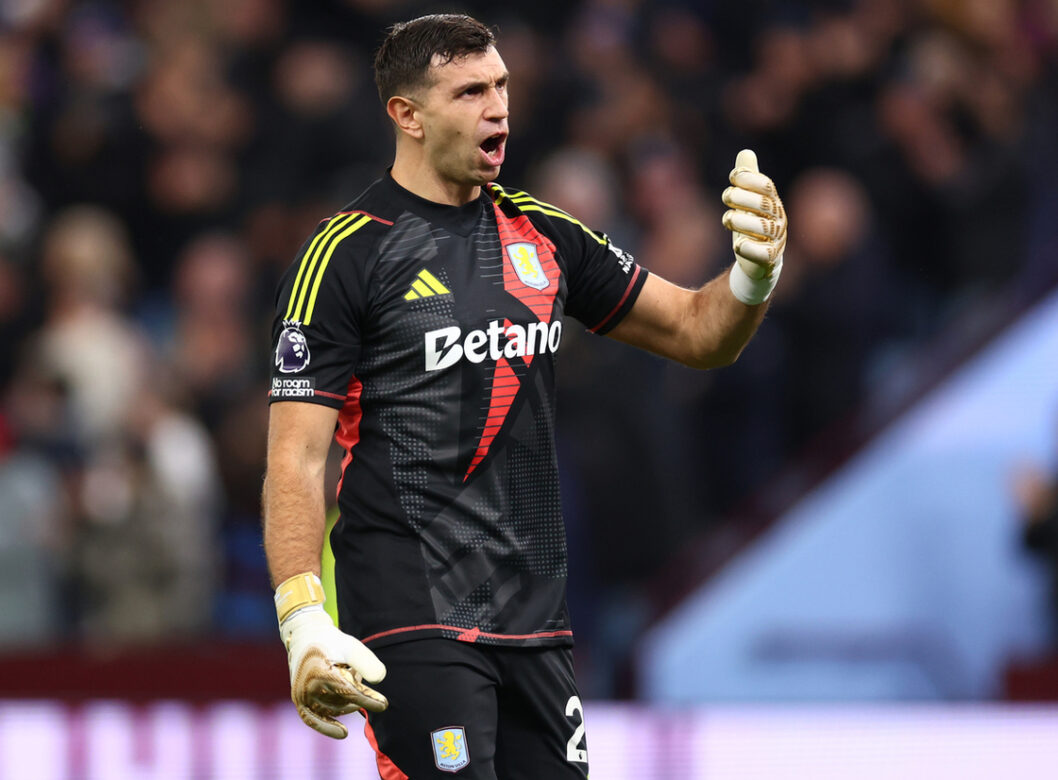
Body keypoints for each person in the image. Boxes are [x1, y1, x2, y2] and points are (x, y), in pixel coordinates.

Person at [261, 14, 786, 779]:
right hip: (414, 617)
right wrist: (303, 618)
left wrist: (752, 277)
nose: (498, 107)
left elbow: (700, 333)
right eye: (471, 91)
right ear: (406, 115)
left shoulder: (542, 235)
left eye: (502, 86)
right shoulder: (347, 254)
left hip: (538, 626)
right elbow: (296, 458)